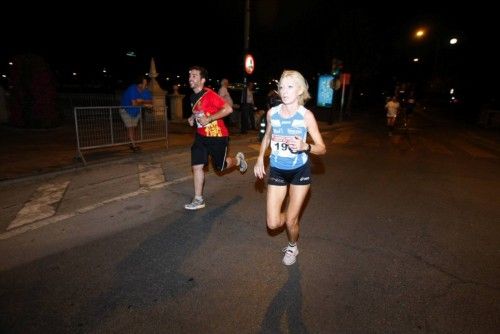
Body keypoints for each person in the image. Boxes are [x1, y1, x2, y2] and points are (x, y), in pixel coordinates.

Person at [254, 70, 326, 265]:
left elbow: (322, 148)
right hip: (277, 169)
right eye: (281, 87)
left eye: (290, 86)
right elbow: (267, 136)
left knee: (291, 222)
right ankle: (289, 216)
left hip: (299, 171)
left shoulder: (306, 116)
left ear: (300, 90)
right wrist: (261, 157)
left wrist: (306, 146)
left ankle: (293, 246)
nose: (284, 91)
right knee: (273, 223)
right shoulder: (272, 114)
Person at [185, 66, 248, 210]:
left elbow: (228, 109)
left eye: (194, 76)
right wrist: (191, 118)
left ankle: (238, 160)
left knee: (220, 167)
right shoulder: (192, 97)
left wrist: (210, 119)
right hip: (201, 137)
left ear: (202, 80)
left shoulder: (210, 94)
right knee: (197, 166)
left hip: (217, 136)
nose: (190, 78)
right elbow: (198, 112)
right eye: (190, 75)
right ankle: (198, 199)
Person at [120, 75, 153, 151]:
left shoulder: (145, 91)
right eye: (145, 83)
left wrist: (141, 101)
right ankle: (133, 144)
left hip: (136, 111)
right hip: (126, 110)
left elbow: (151, 101)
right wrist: (144, 103)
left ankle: (131, 142)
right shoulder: (132, 89)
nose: (146, 85)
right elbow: (134, 103)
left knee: (133, 127)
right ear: (139, 84)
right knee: (130, 127)